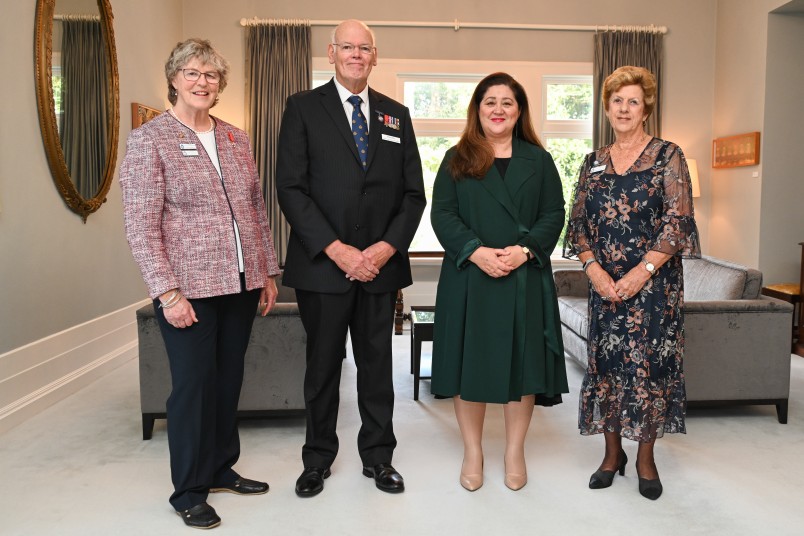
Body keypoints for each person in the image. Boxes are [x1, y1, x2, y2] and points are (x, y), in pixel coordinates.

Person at [120, 39, 281, 529]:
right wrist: (167, 292)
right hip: (187, 289)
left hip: (240, 282)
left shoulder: (236, 138)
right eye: (192, 73)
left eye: (210, 75)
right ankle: (188, 489)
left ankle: (219, 468)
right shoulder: (152, 139)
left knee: (229, 380)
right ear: (174, 79)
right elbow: (140, 223)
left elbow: (256, 211)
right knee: (192, 388)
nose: (202, 82)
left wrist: (268, 271)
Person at [275, 20, 426, 498]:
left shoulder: (396, 115)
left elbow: (413, 196)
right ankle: (317, 459)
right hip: (323, 267)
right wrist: (339, 251)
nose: (356, 55)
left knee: (378, 367)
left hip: (380, 269)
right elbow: (291, 189)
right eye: (348, 47)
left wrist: (382, 249)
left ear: (375, 56)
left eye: (365, 49)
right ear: (331, 52)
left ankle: (379, 458)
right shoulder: (302, 108)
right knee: (321, 368)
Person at [564, 65, 700, 500]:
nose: (624, 108)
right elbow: (578, 225)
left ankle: (645, 458)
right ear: (607, 108)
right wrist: (594, 270)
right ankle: (611, 454)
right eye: (617, 100)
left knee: (649, 372)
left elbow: (678, 223)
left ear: (646, 109)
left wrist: (641, 273)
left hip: (654, 289)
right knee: (606, 369)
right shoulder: (593, 162)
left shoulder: (668, 155)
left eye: (633, 101)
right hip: (605, 289)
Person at [430, 72, 569, 492]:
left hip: (523, 275)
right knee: (467, 367)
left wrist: (523, 251)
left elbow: (553, 214)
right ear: (478, 109)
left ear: (519, 111)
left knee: (521, 367)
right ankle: (473, 450)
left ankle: (514, 451)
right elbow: (442, 214)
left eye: (507, 102)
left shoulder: (539, 160)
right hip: (470, 277)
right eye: (490, 102)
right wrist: (477, 251)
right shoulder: (456, 158)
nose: (498, 110)